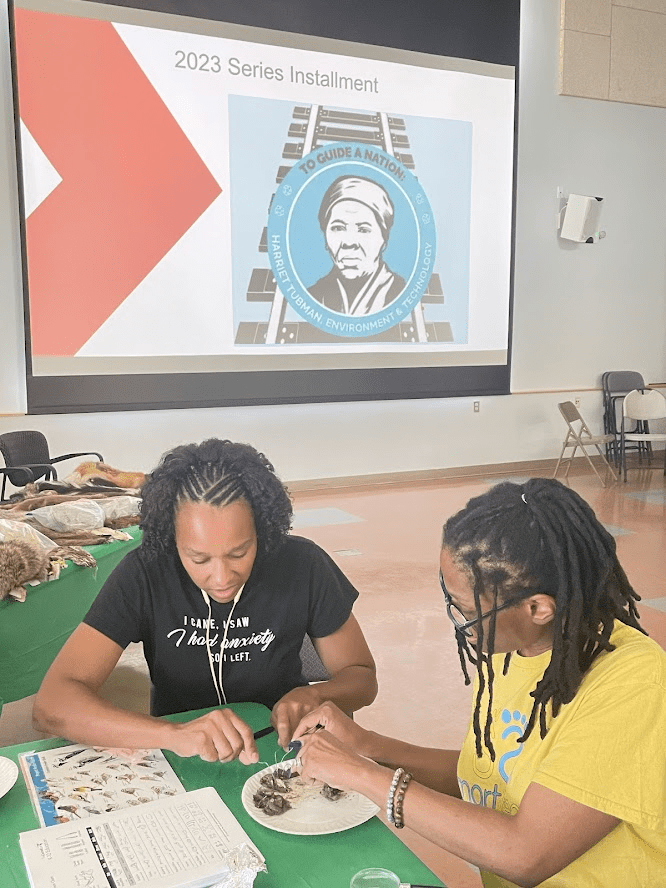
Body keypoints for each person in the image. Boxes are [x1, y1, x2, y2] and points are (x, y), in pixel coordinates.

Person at [291, 478, 666, 888]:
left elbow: (525, 853)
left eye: (467, 609)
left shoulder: (633, 683)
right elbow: (486, 777)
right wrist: (368, 747)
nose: (457, 620)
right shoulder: (516, 647)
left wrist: (365, 776)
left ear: (538, 607)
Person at [33, 439, 377, 765]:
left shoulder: (303, 565)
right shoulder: (145, 573)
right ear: (172, 539)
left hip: (283, 749)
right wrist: (173, 734)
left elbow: (362, 678)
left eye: (239, 553)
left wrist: (315, 696)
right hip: (183, 754)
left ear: (263, 529)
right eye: (198, 558)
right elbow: (52, 704)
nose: (222, 577)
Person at [308, 175, 406, 315]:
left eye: (363, 230)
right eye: (338, 228)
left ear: (384, 240)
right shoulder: (313, 296)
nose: (349, 242)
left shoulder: (401, 293)